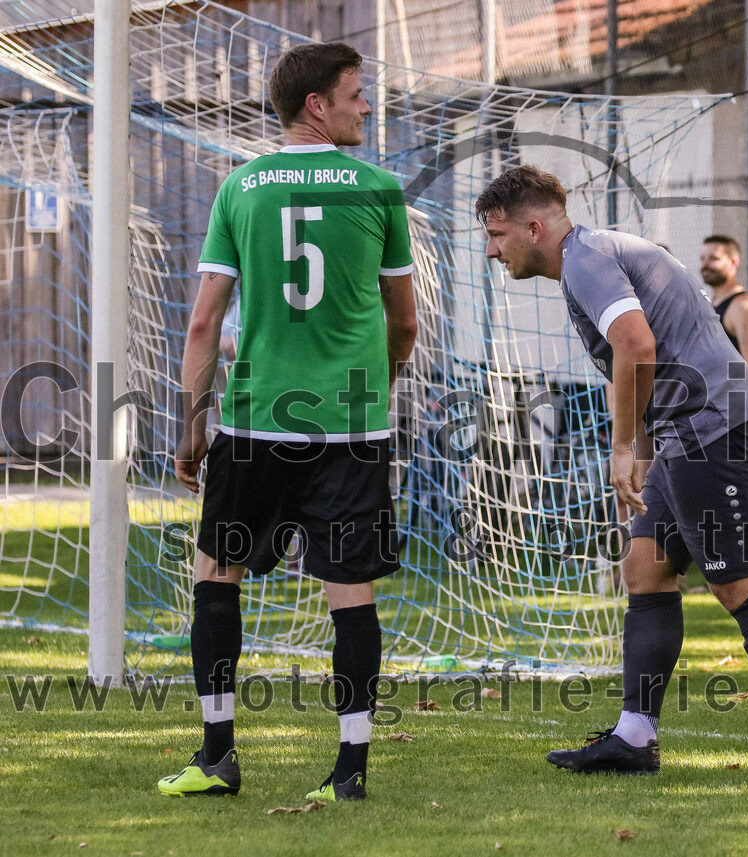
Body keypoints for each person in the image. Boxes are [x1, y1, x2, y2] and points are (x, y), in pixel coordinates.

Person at [476, 165, 748, 779]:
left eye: (495, 235)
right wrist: (645, 458)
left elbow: (637, 346)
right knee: (645, 570)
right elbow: (657, 356)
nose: (492, 250)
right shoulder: (594, 253)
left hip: (716, 431)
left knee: (740, 586)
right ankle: (633, 737)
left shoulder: (585, 259)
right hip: (686, 436)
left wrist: (622, 447)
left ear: (533, 227)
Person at [158, 41, 417, 802]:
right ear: (317, 104)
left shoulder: (240, 188)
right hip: (352, 427)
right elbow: (405, 323)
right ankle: (351, 769)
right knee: (351, 591)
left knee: (218, 572)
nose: (367, 105)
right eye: (357, 93)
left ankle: (216, 757)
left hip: (254, 422)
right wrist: (378, 384)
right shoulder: (378, 190)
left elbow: (204, 323)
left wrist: (192, 422)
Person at [699, 234, 748, 380]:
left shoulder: (746, 304)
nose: (705, 265)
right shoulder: (709, 304)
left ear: (734, 261)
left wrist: (739, 401)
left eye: (713, 259)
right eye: (702, 259)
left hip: (732, 400)